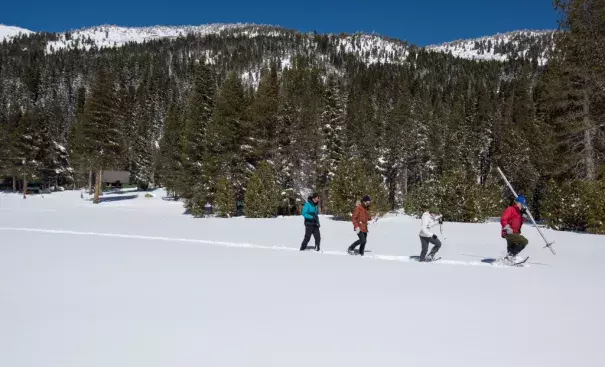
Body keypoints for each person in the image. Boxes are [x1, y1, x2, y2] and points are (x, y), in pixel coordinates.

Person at [500, 195, 529, 262]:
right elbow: (503, 219)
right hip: (509, 232)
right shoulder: (510, 209)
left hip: (515, 232)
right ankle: (510, 257)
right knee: (524, 241)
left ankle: (508, 261)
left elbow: (518, 222)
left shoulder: (519, 212)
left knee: (512, 248)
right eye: (522, 204)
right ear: (518, 203)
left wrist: (523, 217)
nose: (522, 206)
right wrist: (507, 227)